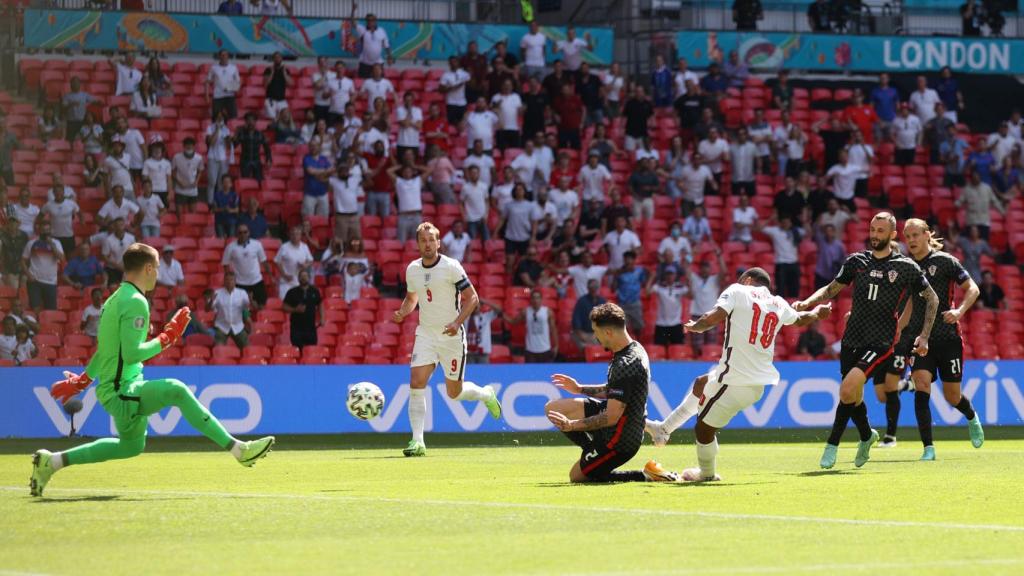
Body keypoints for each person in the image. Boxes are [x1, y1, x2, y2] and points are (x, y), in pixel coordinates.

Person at [29, 244, 275, 497]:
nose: (157, 274)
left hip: (117, 386)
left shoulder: (114, 299)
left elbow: (106, 350)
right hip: (121, 389)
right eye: (157, 268)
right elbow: (132, 353)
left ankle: (52, 462)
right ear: (148, 268)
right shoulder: (136, 302)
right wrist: (166, 339)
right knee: (176, 390)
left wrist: (84, 380)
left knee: (130, 447)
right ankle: (239, 450)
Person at [654, 268, 832, 481]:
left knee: (703, 428)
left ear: (747, 280)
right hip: (754, 381)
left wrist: (696, 326)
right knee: (701, 383)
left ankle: (707, 473)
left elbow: (714, 317)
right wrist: (818, 313)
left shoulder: (738, 290)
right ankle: (665, 428)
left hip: (735, 380)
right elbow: (800, 319)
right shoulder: (778, 302)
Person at [795, 212, 938, 470]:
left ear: (893, 235)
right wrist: (808, 302)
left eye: (881, 231)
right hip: (852, 338)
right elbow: (831, 288)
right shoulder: (857, 261)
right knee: (854, 395)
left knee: (847, 389)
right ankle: (866, 435)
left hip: (880, 342)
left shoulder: (906, 267)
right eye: (872, 230)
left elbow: (932, 298)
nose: (875, 235)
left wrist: (925, 334)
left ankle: (832, 445)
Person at [391, 222, 501, 457]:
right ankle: (417, 441)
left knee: (454, 393)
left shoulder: (451, 266)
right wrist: (403, 312)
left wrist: (457, 322)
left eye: (432, 240)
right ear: (418, 244)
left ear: (439, 243)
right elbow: (412, 298)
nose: (428, 244)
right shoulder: (412, 269)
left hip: (451, 337)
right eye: (423, 240)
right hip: (426, 334)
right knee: (416, 381)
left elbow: (473, 298)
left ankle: (485, 394)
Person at [545, 303, 678, 483]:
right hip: (620, 421)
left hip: (620, 440)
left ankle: (644, 475)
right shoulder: (635, 348)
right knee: (554, 408)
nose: (595, 337)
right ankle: (593, 451)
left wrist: (573, 425)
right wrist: (579, 389)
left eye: (596, 331)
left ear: (608, 332)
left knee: (576, 477)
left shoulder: (625, 364)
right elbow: (615, 391)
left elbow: (611, 417)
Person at [884, 219, 983, 459]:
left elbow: (973, 289)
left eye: (916, 235)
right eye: (908, 236)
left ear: (928, 235)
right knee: (921, 385)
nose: (911, 240)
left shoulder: (946, 261)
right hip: (919, 339)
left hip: (948, 337)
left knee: (952, 396)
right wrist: (896, 331)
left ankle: (971, 416)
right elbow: (908, 305)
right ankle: (928, 448)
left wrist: (958, 311)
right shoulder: (905, 266)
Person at [222, 224, 271, 308]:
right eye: (240, 232)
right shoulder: (230, 247)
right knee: (240, 308)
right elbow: (225, 264)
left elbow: (264, 261)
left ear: (249, 233)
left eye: (245, 232)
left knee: (261, 306)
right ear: (237, 234)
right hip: (240, 283)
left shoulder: (257, 244)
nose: (243, 234)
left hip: (256, 281)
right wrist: (230, 279)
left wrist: (270, 276)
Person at [687, 249, 726, 353]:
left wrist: (719, 256)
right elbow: (686, 269)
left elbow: (724, 271)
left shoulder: (714, 280)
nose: (705, 270)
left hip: (711, 316)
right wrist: (691, 256)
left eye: (707, 267)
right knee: (697, 345)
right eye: (703, 267)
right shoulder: (695, 279)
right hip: (697, 315)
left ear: (710, 269)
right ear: (700, 269)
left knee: (711, 345)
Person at [505, 289, 558, 362]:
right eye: (533, 298)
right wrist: (502, 315)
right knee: (531, 373)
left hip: (545, 349)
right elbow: (514, 322)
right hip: (530, 350)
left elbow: (553, 329)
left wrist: (556, 345)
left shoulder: (548, 312)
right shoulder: (525, 311)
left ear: (541, 299)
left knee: (546, 372)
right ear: (530, 300)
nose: (535, 300)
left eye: (538, 298)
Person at [22, 222, 65, 311]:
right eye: (43, 230)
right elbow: (23, 260)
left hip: (50, 281)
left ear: (50, 231)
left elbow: (62, 258)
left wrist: (52, 245)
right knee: (35, 308)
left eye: (47, 230)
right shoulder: (31, 243)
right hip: (34, 281)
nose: (45, 233)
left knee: (51, 310)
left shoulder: (56, 243)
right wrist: (28, 274)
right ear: (39, 231)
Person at [956, 170, 1005, 240]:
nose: (976, 179)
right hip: (972, 221)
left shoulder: (987, 188)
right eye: (974, 178)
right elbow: (960, 201)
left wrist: (1002, 211)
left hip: (984, 221)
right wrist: (955, 205)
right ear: (971, 179)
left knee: (984, 242)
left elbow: (995, 201)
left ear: (980, 178)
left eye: (977, 177)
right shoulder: (967, 189)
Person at [282, 269, 322, 349]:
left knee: (312, 351)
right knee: (297, 350)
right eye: (301, 276)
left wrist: (322, 318)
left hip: (311, 328)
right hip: (296, 328)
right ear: (298, 278)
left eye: (305, 276)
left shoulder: (315, 291)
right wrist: (295, 310)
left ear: (309, 277)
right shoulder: (292, 292)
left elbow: (320, 304)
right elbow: (284, 307)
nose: (303, 278)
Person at [612, 251, 648, 333]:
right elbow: (613, 289)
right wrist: (615, 276)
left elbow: (645, 282)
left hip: (635, 303)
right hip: (622, 304)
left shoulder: (639, 271)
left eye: (630, 260)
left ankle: (638, 343)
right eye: (626, 260)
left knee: (638, 327)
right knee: (624, 329)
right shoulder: (619, 273)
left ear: (634, 261)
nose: (627, 262)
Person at [571, 278, 606, 351]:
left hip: (598, 334)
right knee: (582, 343)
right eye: (592, 287)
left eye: (595, 287)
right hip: (584, 333)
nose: (594, 289)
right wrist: (582, 335)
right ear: (588, 288)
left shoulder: (603, 301)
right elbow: (576, 321)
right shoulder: (581, 301)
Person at [206, 50, 241, 121]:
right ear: (219, 56)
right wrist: (206, 96)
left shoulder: (233, 68)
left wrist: (230, 88)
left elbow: (238, 82)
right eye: (222, 55)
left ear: (228, 56)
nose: (224, 57)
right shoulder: (214, 68)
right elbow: (207, 82)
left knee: (233, 117)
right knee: (216, 118)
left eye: (226, 55)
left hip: (230, 96)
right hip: (218, 96)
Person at [101, 218, 136, 286]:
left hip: (127, 268)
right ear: (114, 226)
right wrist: (117, 265)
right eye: (118, 225)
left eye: (122, 225)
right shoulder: (108, 240)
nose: (120, 227)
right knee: (113, 288)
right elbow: (104, 256)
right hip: (113, 268)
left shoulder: (131, 238)